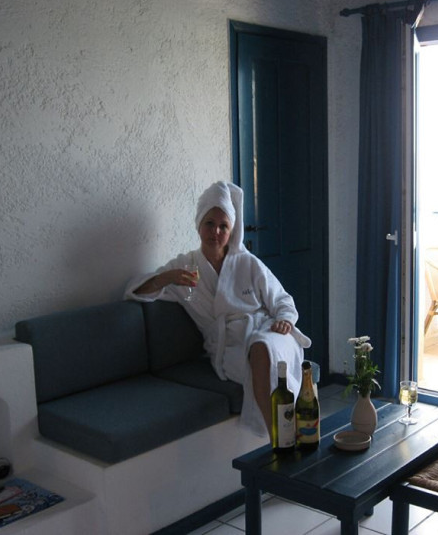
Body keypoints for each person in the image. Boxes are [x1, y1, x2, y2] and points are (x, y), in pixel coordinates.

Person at [124, 181, 311, 439]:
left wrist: (285, 320)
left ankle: (282, 440)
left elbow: (282, 300)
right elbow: (135, 291)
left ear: (231, 230)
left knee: (263, 348)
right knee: (260, 353)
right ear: (199, 225)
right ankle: (283, 439)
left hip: (269, 331)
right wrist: (167, 278)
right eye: (210, 223)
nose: (216, 232)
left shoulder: (247, 263)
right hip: (229, 347)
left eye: (224, 226)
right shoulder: (185, 267)